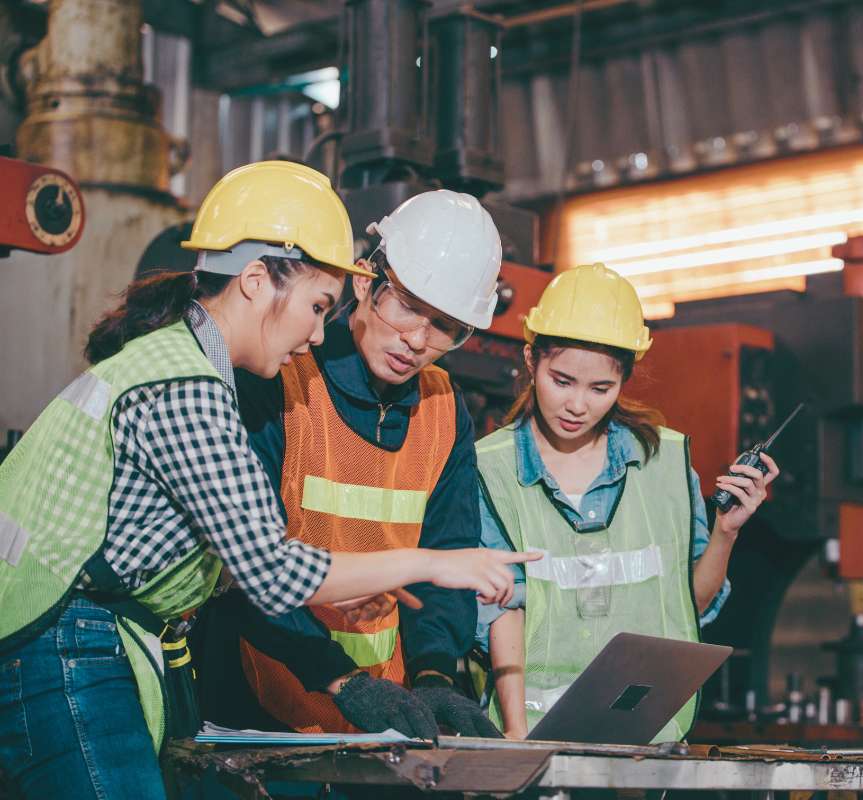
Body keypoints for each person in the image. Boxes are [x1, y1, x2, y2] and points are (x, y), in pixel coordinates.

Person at [0, 162, 533, 799]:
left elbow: (210, 553)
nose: (314, 334)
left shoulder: (183, 366)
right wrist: (428, 567)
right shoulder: (194, 389)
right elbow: (270, 572)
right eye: (315, 307)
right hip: (77, 640)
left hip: (89, 636)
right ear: (257, 280)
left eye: (445, 327)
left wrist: (433, 673)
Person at [196, 190, 508, 740]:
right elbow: (248, 566)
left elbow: (445, 558)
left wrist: (435, 677)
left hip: (386, 715)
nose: (417, 340)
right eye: (407, 305)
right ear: (364, 280)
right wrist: (338, 676)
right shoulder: (281, 375)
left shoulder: (443, 410)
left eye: (446, 327)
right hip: (258, 701)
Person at [475, 263, 779, 741]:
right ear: (532, 361)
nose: (579, 404)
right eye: (562, 380)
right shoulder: (490, 469)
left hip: (644, 733)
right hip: (533, 731)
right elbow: (502, 609)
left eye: (601, 388)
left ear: (624, 380)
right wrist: (515, 737)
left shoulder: (663, 462)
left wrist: (727, 531)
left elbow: (689, 605)